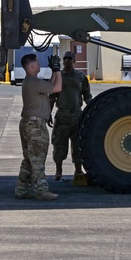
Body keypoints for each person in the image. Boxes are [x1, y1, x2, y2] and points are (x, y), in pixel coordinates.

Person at [15, 52, 63, 200]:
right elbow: (57, 88)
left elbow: (49, 85)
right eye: (37, 63)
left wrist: (53, 72)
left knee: (29, 159)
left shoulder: (31, 82)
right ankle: (41, 191)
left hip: (29, 123)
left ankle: (21, 189)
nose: (39, 65)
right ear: (32, 66)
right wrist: (57, 70)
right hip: (35, 125)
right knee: (37, 158)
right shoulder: (33, 82)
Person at [50, 51, 93, 181]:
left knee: (78, 144)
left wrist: (92, 110)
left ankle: (78, 170)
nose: (67, 61)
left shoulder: (80, 76)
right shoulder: (58, 76)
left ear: (74, 61)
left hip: (77, 115)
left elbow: (87, 95)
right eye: (65, 58)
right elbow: (51, 97)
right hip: (62, 115)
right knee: (59, 144)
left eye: (70, 58)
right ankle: (58, 170)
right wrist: (48, 113)